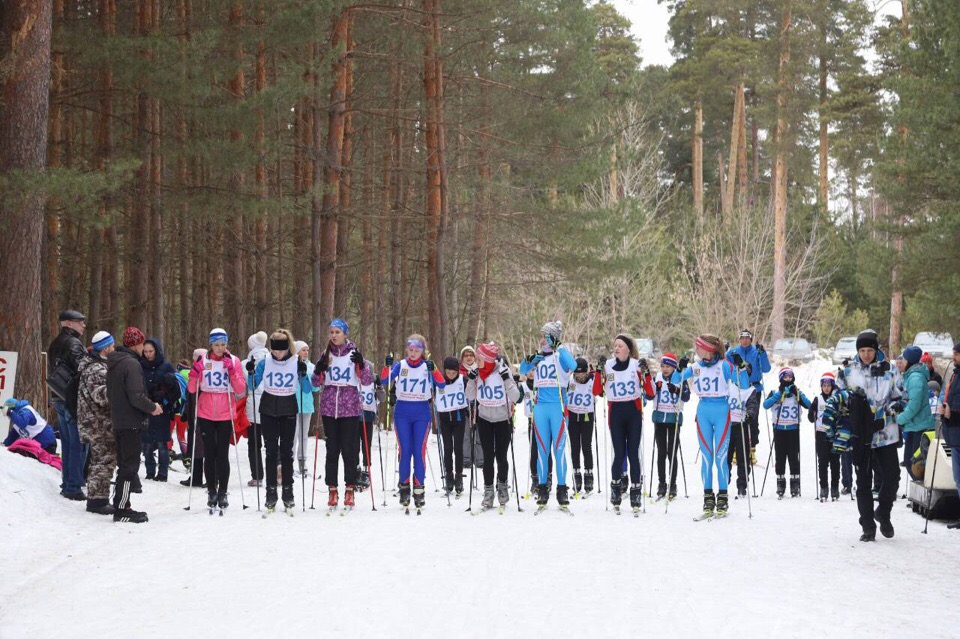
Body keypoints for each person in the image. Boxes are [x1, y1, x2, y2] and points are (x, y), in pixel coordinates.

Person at [673, 334, 750, 519]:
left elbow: (744, 384)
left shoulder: (724, 365)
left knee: (720, 457)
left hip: (722, 410)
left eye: (698, 347)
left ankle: (722, 497)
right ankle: (708, 497)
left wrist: (741, 367)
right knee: (707, 457)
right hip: (703, 410)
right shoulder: (696, 367)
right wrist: (680, 367)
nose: (696, 350)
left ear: (709, 349)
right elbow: (676, 378)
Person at [835, 329, 902, 542]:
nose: (865, 354)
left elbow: (901, 397)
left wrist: (887, 414)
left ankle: (883, 511)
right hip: (860, 435)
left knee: (892, 477)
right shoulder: (847, 372)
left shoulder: (890, 370)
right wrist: (851, 413)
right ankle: (867, 525)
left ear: (876, 350)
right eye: (862, 350)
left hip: (885, 433)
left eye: (869, 350)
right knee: (863, 481)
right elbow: (838, 399)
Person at [313, 318, 372, 510]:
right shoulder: (326, 354)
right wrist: (319, 370)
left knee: (349, 449)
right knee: (332, 450)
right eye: (331, 332)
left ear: (345, 333)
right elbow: (315, 382)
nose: (334, 335)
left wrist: (362, 364)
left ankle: (350, 487)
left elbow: (367, 379)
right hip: (330, 408)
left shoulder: (354, 354)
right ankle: (332, 488)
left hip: (350, 408)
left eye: (337, 332)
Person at [381, 333, 444, 510]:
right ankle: (404, 489)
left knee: (419, 452)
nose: (413, 353)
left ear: (423, 351)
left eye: (416, 350)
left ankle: (419, 490)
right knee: (405, 451)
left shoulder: (427, 366)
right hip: (402, 412)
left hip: (422, 413)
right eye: (410, 350)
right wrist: (387, 366)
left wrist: (434, 370)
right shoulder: (400, 365)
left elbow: (442, 384)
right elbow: (385, 380)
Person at [106, 326, 164, 523]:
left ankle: (122, 503)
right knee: (129, 466)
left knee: (125, 464)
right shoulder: (131, 364)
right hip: (130, 420)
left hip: (119, 419)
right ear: (138, 344)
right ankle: (122, 508)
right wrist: (152, 407)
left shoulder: (115, 362)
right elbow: (136, 396)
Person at [252, 329, 312, 511]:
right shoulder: (265, 361)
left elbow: (308, 389)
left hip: (288, 408)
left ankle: (288, 490)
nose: (277, 354)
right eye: (274, 350)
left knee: (287, 452)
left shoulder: (296, 362)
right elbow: (252, 385)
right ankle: (271, 490)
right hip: (268, 408)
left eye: (281, 350)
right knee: (270, 452)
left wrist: (303, 374)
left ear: (288, 348)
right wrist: (250, 372)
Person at [188, 328, 247, 513]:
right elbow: (191, 389)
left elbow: (240, 389)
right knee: (209, 453)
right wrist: (195, 373)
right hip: (205, 411)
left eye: (223, 344)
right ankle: (211, 490)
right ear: (210, 345)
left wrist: (231, 371)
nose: (220, 348)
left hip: (225, 412)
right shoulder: (203, 361)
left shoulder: (234, 361)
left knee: (222, 453)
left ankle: (223, 491)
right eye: (216, 345)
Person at [519, 321, 576, 508]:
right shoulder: (539, 358)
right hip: (540, 408)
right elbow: (522, 370)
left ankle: (562, 489)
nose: (542, 340)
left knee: (559, 450)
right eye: (542, 336)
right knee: (542, 451)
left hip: (557, 407)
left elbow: (573, 365)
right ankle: (542, 489)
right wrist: (529, 360)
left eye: (545, 336)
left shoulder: (560, 355)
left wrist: (558, 345)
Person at [600, 334, 655, 511]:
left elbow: (651, 393)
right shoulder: (608, 365)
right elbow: (597, 391)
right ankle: (616, 488)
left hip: (633, 412)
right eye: (615, 345)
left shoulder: (636, 365)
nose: (616, 348)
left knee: (633, 454)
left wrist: (646, 373)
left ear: (628, 349)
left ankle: (636, 491)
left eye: (620, 345)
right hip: (615, 412)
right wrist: (597, 372)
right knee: (619, 454)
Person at [468, 342, 521, 510]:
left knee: (501, 456)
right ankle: (488, 491)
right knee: (487, 457)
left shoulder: (502, 371)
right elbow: (469, 396)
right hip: (484, 419)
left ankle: (503, 487)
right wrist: (470, 380)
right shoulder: (477, 373)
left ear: (488, 359)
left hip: (502, 419)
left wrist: (507, 379)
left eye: (479, 358)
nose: (476, 360)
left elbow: (516, 396)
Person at [46, 309, 88, 501]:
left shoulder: (55, 343)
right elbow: (82, 370)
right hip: (71, 399)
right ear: (69, 323)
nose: (83, 325)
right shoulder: (73, 343)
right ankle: (73, 486)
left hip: (58, 397)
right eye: (80, 322)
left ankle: (68, 482)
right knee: (76, 444)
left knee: (69, 443)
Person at [76, 331, 118, 515]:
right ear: (106, 348)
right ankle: (97, 501)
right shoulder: (97, 370)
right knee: (103, 461)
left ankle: (98, 497)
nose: (114, 349)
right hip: (98, 423)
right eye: (112, 346)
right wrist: (118, 388)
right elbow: (101, 396)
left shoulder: (96, 366)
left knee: (101, 460)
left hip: (96, 421)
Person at [762, 367, 812, 498]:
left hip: (793, 429)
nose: (788, 379)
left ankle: (795, 483)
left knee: (793, 457)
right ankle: (780, 482)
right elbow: (766, 405)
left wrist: (798, 394)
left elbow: (809, 405)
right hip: (779, 429)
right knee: (780, 457)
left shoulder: (797, 393)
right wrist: (779, 394)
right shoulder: (774, 392)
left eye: (790, 377)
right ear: (781, 378)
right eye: (785, 377)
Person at [726, 329, 771, 463]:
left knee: (752, 420)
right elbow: (724, 364)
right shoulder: (733, 351)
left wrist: (762, 354)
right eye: (742, 338)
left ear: (750, 339)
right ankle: (735, 450)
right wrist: (724, 351)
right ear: (739, 339)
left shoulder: (756, 351)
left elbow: (767, 369)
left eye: (747, 338)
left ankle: (752, 450)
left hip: (754, 389)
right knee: (736, 418)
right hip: (737, 389)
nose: (745, 340)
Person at [649, 353, 690, 500]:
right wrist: (654, 388)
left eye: (668, 366)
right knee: (661, 452)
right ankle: (662, 483)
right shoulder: (657, 377)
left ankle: (673, 484)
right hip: (659, 418)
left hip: (674, 418)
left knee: (672, 452)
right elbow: (648, 395)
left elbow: (686, 396)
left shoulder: (680, 377)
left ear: (673, 367)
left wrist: (677, 390)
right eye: (663, 366)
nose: (665, 369)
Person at [140, 338, 180, 482]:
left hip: (162, 409)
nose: (148, 354)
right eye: (145, 351)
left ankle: (163, 473)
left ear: (156, 351)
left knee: (163, 442)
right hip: (145, 408)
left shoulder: (166, 366)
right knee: (147, 442)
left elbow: (175, 390)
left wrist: (164, 398)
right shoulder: (140, 365)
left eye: (151, 351)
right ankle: (150, 471)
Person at [566, 357, 602, 496]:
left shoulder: (592, 380)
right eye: (577, 373)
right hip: (573, 416)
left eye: (582, 373)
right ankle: (576, 476)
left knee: (586, 446)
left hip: (587, 416)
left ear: (587, 372)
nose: (580, 376)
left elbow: (600, 390)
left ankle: (589, 476)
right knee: (575, 447)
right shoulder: (570, 380)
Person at [896, 345, 936, 468]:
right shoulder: (911, 376)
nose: (901, 363)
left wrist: (899, 419)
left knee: (915, 464)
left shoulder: (915, 378)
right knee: (910, 463)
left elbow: (914, 405)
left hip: (921, 426)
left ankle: (924, 487)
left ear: (909, 361)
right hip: (914, 426)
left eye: (903, 360)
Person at [436, 356, 468, 497]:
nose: (451, 375)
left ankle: (459, 476)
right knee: (447, 448)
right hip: (444, 420)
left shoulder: (463, 380)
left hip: (459, 419)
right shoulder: (439, 381)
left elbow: (472, 391)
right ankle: (449, 476)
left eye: (453, 373)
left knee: (458, 448)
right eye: (448, 373)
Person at [807, 372, 842, 501]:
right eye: (824, 385)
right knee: (822, 462)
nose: (826, 388)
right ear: (821, 386)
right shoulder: (818, 399)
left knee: (835, 463)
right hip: (821, 434)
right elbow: (811, 418)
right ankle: (824, 487)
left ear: (833, 386)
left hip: (834, 435)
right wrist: (812, 412)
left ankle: (834, 488)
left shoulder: (837, 398)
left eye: (829, 385)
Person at [242, 331, 268, 487]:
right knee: (272, 440)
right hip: (271, 404)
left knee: (255, 443)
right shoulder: (273, 359)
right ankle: (278, 467)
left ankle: (257, 476)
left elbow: (245, 384)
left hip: (254, 404)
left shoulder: (246, 362)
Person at [938, 343, 960, 529]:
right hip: (953, 432)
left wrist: (952, 412)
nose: (953, 357)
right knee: (958, 477)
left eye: (956, 354)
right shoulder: (955, 374)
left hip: (957, 429)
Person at [293, 340, 320, 478]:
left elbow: (316, 387)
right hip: (292, 405)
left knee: (303, 436)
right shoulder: (291, 365)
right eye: (303, 349)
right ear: (297, 351)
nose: (306, 352)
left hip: (307, 405)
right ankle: (289, 464)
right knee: (293, 436)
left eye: (307, 349)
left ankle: (302, 464)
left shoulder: (311, 367)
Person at [357, 361, 384, 491]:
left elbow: (382, 398)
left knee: (366, 444)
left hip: (368, 417)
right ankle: (356, 469)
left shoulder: (373, 382)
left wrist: (379, 385)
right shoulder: (355, 380)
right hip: (354, 417)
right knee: (353, 445)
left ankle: (366, 470)